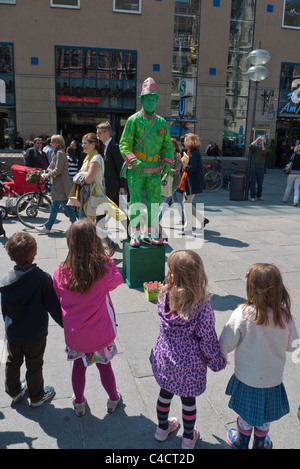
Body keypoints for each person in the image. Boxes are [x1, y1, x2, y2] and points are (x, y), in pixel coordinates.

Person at [149, 250, 226, 449]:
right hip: (189, 365)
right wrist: (217, 362)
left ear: (173, 276)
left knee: (164, 394)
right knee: (188, 401)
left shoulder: (164, 294)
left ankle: (161, 429)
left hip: (166, 358)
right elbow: (208, 339)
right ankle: (188, 438)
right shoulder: (201, 307)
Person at [219, 263, 299, 449]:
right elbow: (292, 345)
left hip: (246, 377)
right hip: (272, 379)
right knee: (264, 416)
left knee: (246, 415)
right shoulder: (285, 316)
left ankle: (241, 441)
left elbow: (227, 340)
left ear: (250, 288)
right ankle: (260, 443)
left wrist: (221, 356)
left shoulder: (242, 314)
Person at [53, 218, 123, 416]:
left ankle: (79, 403)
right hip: (100, 334)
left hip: (76, 336)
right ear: (94, 241)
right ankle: (113, 399)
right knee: (104, 366)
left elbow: (58, 296)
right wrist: (105, 258)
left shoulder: (60, 271)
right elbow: (117, 280)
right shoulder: (101, 270)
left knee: (78, 367)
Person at [0, 232, 63, 407]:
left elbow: (4, 310)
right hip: (35, 334)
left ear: (12, 257)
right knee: (34, 364)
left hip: (13, 332)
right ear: (34, 253)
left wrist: (8, 326)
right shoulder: (42, 279)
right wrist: (68, 325)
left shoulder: (5, 281)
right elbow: (53, 307)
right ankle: (36, 397)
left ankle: (13, 391)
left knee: (12, 362)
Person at [119, 77, 174, 247]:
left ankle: (152, 232)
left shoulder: (162, 122)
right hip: (136, 168)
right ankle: (135, 233)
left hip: (154, 169)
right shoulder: (133, 120)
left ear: (156, 101)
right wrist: (133, 160)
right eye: (147, 99)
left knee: (155, 202)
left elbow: (167, 146)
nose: (150, 102)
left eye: (153, 99)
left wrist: (167, 163)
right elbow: (124, 143)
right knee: (135, 201)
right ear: (142, 100)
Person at [77, 133, 120, 257]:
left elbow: (89, 178)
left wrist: (82, 175)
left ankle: (105, 246)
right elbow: (82, 174)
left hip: (92, 195)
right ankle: (103, 247)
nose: (83, 146)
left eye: (85, 143)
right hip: (87, 194)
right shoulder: (88, 157)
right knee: (87, 224)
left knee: (85, 224)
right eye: (82, 143)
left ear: (93, 144)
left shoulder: (96, 158)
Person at [35, 135, 77, 234]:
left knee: (57, 204)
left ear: (57, 142)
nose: (50, 143)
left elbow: (58, 170)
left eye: (52, 141)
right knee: (65, 206)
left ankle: (48, 227)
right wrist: (49, 171)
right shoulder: (59, 152)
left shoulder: (60, 153)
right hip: (60, 182)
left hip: (61, 182)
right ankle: (75, 227)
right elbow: (56, 168)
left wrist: (47, 175)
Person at [177, 133, 209, 231]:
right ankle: (202, 220)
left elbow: (190, 169)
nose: (184, 143)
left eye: (186, 141)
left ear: (190, 142)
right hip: (190, 182)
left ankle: (188, 227)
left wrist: (182, 162)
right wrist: (182, 161)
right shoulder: (192, 151)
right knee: (186, 203)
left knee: (186, 204)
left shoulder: (193, 153)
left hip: (192, 182)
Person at [96, 121, 126, 207]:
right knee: (118, 213)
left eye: (99, 133)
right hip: (107, 186)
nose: (97, 135)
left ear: (107, 133)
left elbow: (121, 168)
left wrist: (122, 186)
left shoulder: (114, 147)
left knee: (102, 212)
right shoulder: (103, 147)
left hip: (113, 187)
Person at [249, 136, 267, 202]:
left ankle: (259, 196)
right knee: (253, 183)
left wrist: (262, 143)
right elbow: (250, 146)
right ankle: (252, 196)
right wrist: (256, 140)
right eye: (259, 141)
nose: (259, 141)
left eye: (260, 141)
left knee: (260, 183)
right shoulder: (255, 148)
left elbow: (264, 153)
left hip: (261, 168)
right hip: (254, 167)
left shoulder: (264, 148)